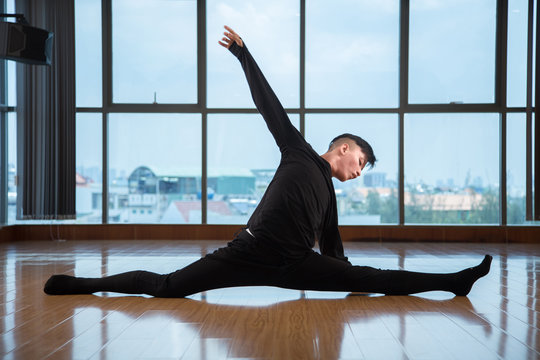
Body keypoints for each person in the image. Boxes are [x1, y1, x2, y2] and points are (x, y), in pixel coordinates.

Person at [44, 26, 492, 298]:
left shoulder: (329, 195)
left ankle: (453, 282)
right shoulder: (296, 150)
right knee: (167, 288)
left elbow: (333, 245)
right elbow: (269, 105)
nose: (361, 170)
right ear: (343, 148)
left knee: (373, 276)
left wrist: (349, 276)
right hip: (246, 254)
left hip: (296, 264)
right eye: (361, 160)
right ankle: (81, 285)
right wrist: (244, 53)